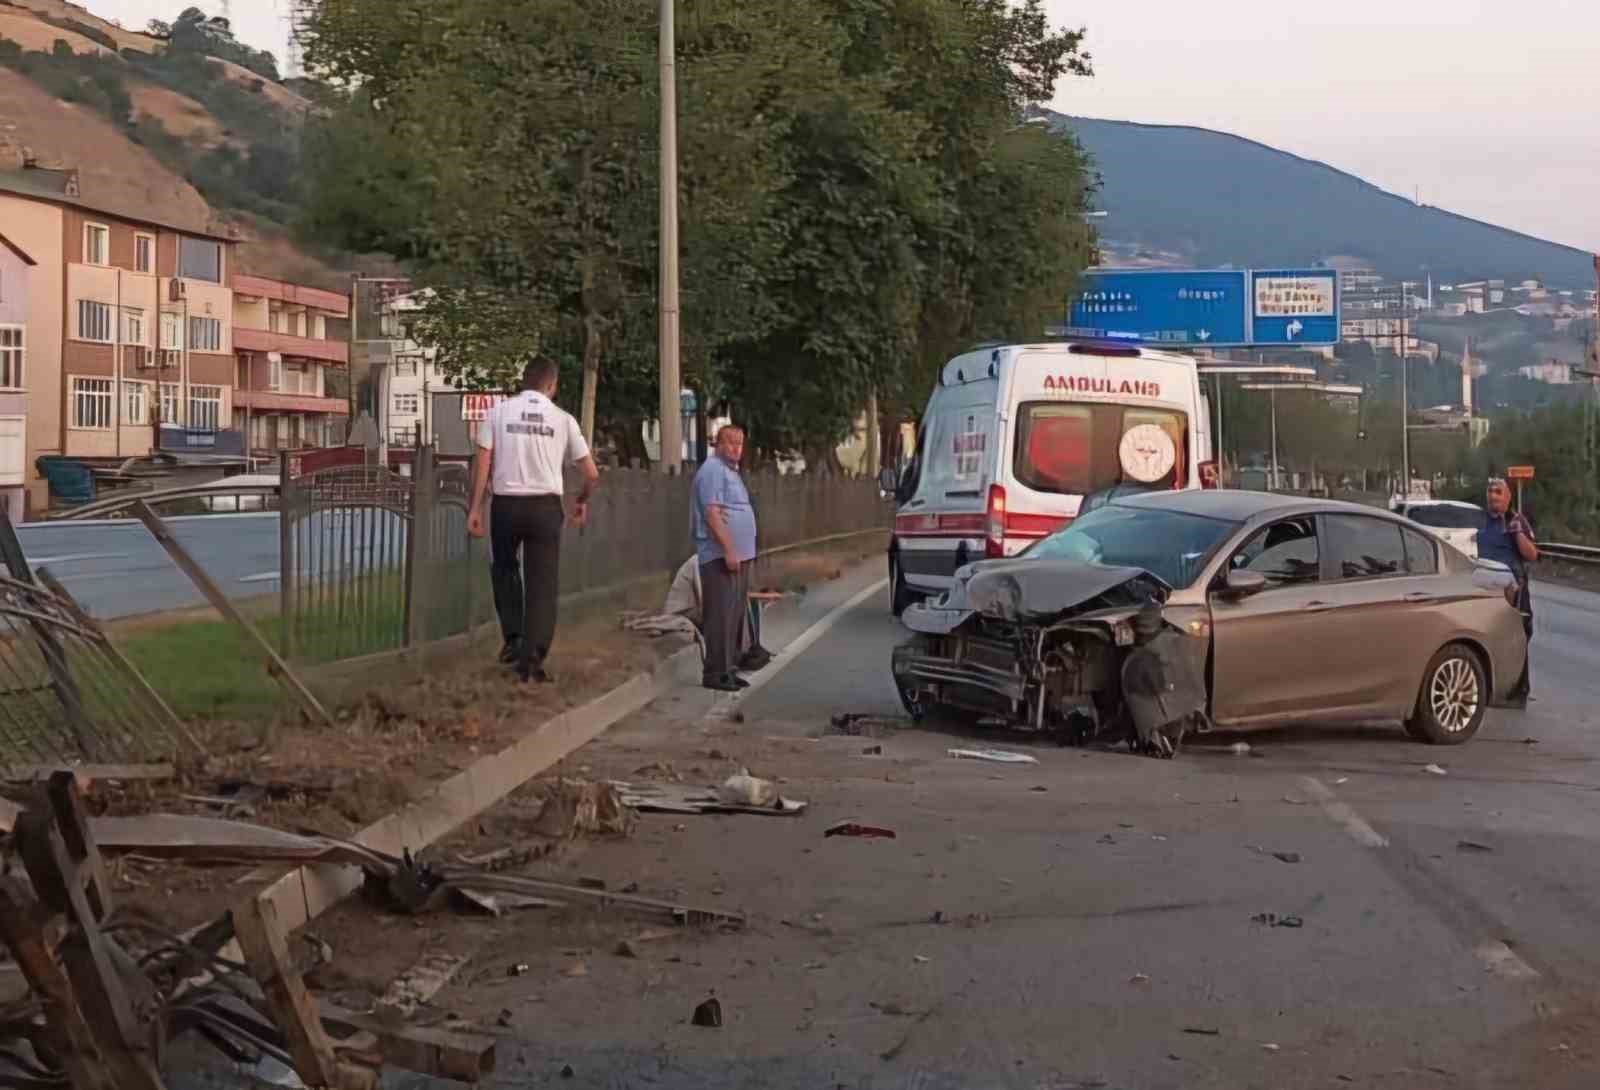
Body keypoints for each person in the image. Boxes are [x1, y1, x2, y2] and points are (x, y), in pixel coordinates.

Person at [466, 356, 598, 683]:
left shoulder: (496, 413)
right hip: (544, 506)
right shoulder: (563, 419)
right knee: (542, 583)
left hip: (507, 505)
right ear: (551, 385)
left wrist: (475, 508)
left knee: (506, 569)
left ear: (524, 380)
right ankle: (533, 660)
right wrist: (581, 500)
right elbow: (591, 473)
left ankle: (513, 640)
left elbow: (483, 462)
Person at [691, 425, 765, 692]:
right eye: (730, 443)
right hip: (720, 555)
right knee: (720, 616)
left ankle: (729, 669)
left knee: (733, 615)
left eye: (740, 443)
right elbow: (711, 514)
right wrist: (729, 549)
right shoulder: (712, 470)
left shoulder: (731, 473)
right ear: (717, 444)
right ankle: (715, 672)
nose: (736, 448)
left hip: (739, 556)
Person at [1476, 475, 1537, 706]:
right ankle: (1492, 689)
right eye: (1490, 491)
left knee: (1517, 640)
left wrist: (1517, 532)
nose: (1493, 496)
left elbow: (1532, 555)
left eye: (1498, 492)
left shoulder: (1516, 520)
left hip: (1514, 592)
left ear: (1508, 497)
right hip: (1484, 590)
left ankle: (1518, 692)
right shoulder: (1479, 521)